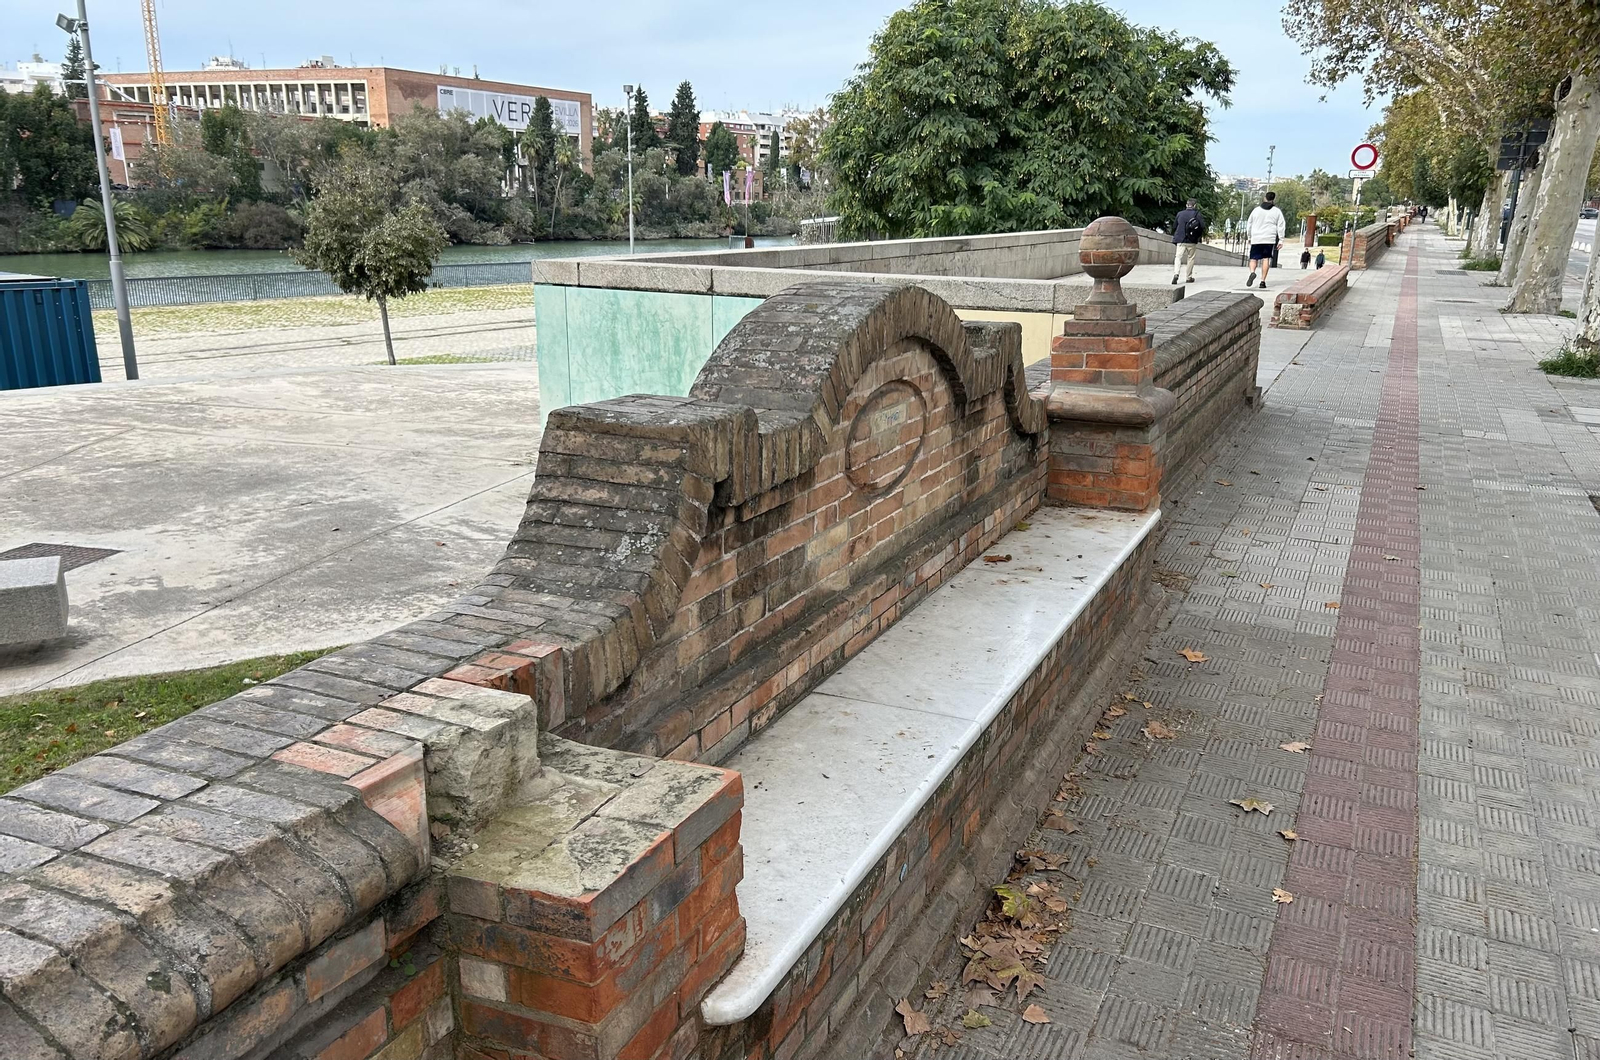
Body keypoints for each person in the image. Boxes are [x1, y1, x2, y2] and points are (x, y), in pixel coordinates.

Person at [1245, 191, 1286, 290]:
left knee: (1253, 258)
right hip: (1269, 238)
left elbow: (1249, 224)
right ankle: (1262, 281)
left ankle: (1252, 272)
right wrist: (1281, 239)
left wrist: (1249, 236)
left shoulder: (1256, 210)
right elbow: (1281, 226)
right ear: (1273, 199)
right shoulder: (1277, 211)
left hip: (1256, 238)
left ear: (1265, 198)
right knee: (1266, 259)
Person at [1171, 197, 1206, 284]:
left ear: (1187, 205)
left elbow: (1174, 226)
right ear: (1195, 205)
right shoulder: (1197, 214)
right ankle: (1188, 277)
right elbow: (1202, 226)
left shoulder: (1180, 214)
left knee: (1178, 257)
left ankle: (1176, 274)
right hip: (1192, 240)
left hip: (1180, 239)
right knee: (1190, 258)